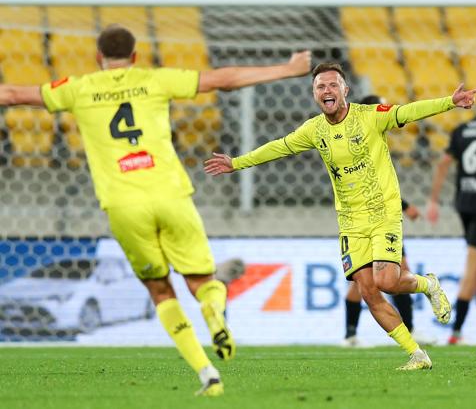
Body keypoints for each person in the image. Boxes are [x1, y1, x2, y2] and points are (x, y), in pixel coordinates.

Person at [0, 24, 311, 396]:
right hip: (171, 195)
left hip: (123, 204)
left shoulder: (78, 88)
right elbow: (222, 80)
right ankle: (213, 313)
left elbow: (11, 93)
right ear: (134, 57)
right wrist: (287, 69)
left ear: (99, 58)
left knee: (160, 291)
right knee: (202, 280)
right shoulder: (156, 79)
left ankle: (206, 373)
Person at [206, 62, 476, 370]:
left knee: (387, 281)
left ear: (345, 90)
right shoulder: (315, 130)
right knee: (368, 290)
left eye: (332, 85)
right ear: (314, 94)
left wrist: (449, 102)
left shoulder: (370, 116)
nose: (327, 90)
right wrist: (237, 163)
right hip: (350, 220)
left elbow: (408, 112)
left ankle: (428, 285)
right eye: (320, 87)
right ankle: (417, 354)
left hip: (383, 212)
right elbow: (278, 147)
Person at [427, 86, 476, 344]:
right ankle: (457, 330)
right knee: (473, 268)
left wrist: (433, 201)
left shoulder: (462, 130)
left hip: (463, 204)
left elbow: (443, 164)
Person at [344, 197, 427, 347]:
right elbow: (379, 188)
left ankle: (350, 334)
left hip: (357, 221)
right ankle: (410, 328)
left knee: (362, 278)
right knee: (399, 272)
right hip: (381, 221)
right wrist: (406, 205)